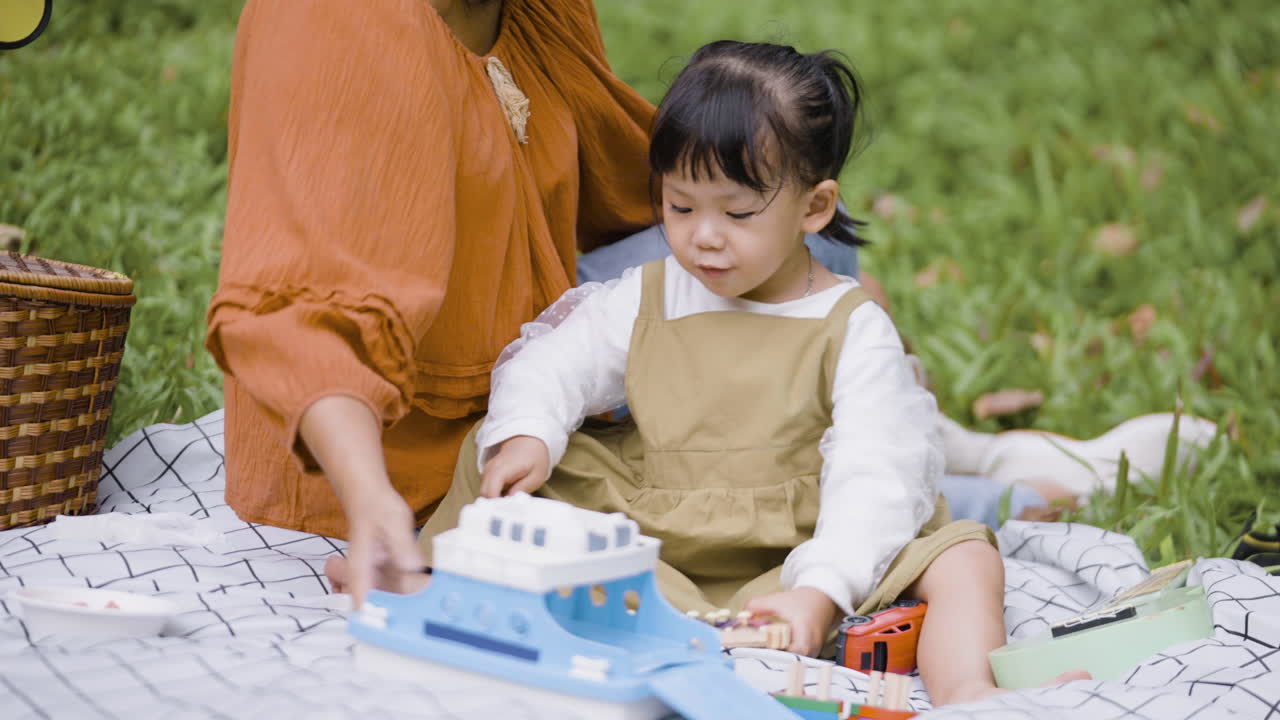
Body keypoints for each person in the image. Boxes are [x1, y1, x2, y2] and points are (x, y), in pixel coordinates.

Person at [413, 40, 1012, 706]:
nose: (704, 237)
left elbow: (875, 472)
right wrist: (529, 433)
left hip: (794, 546)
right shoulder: (649, 294)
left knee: (964, 555)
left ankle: (968, 688)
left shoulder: (849, 325)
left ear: (814, 208)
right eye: (680, 207)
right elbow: (557, 365)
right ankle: (437, 576)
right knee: (495, 452)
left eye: (736, 212)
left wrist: (820, 591)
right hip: (652, 534)